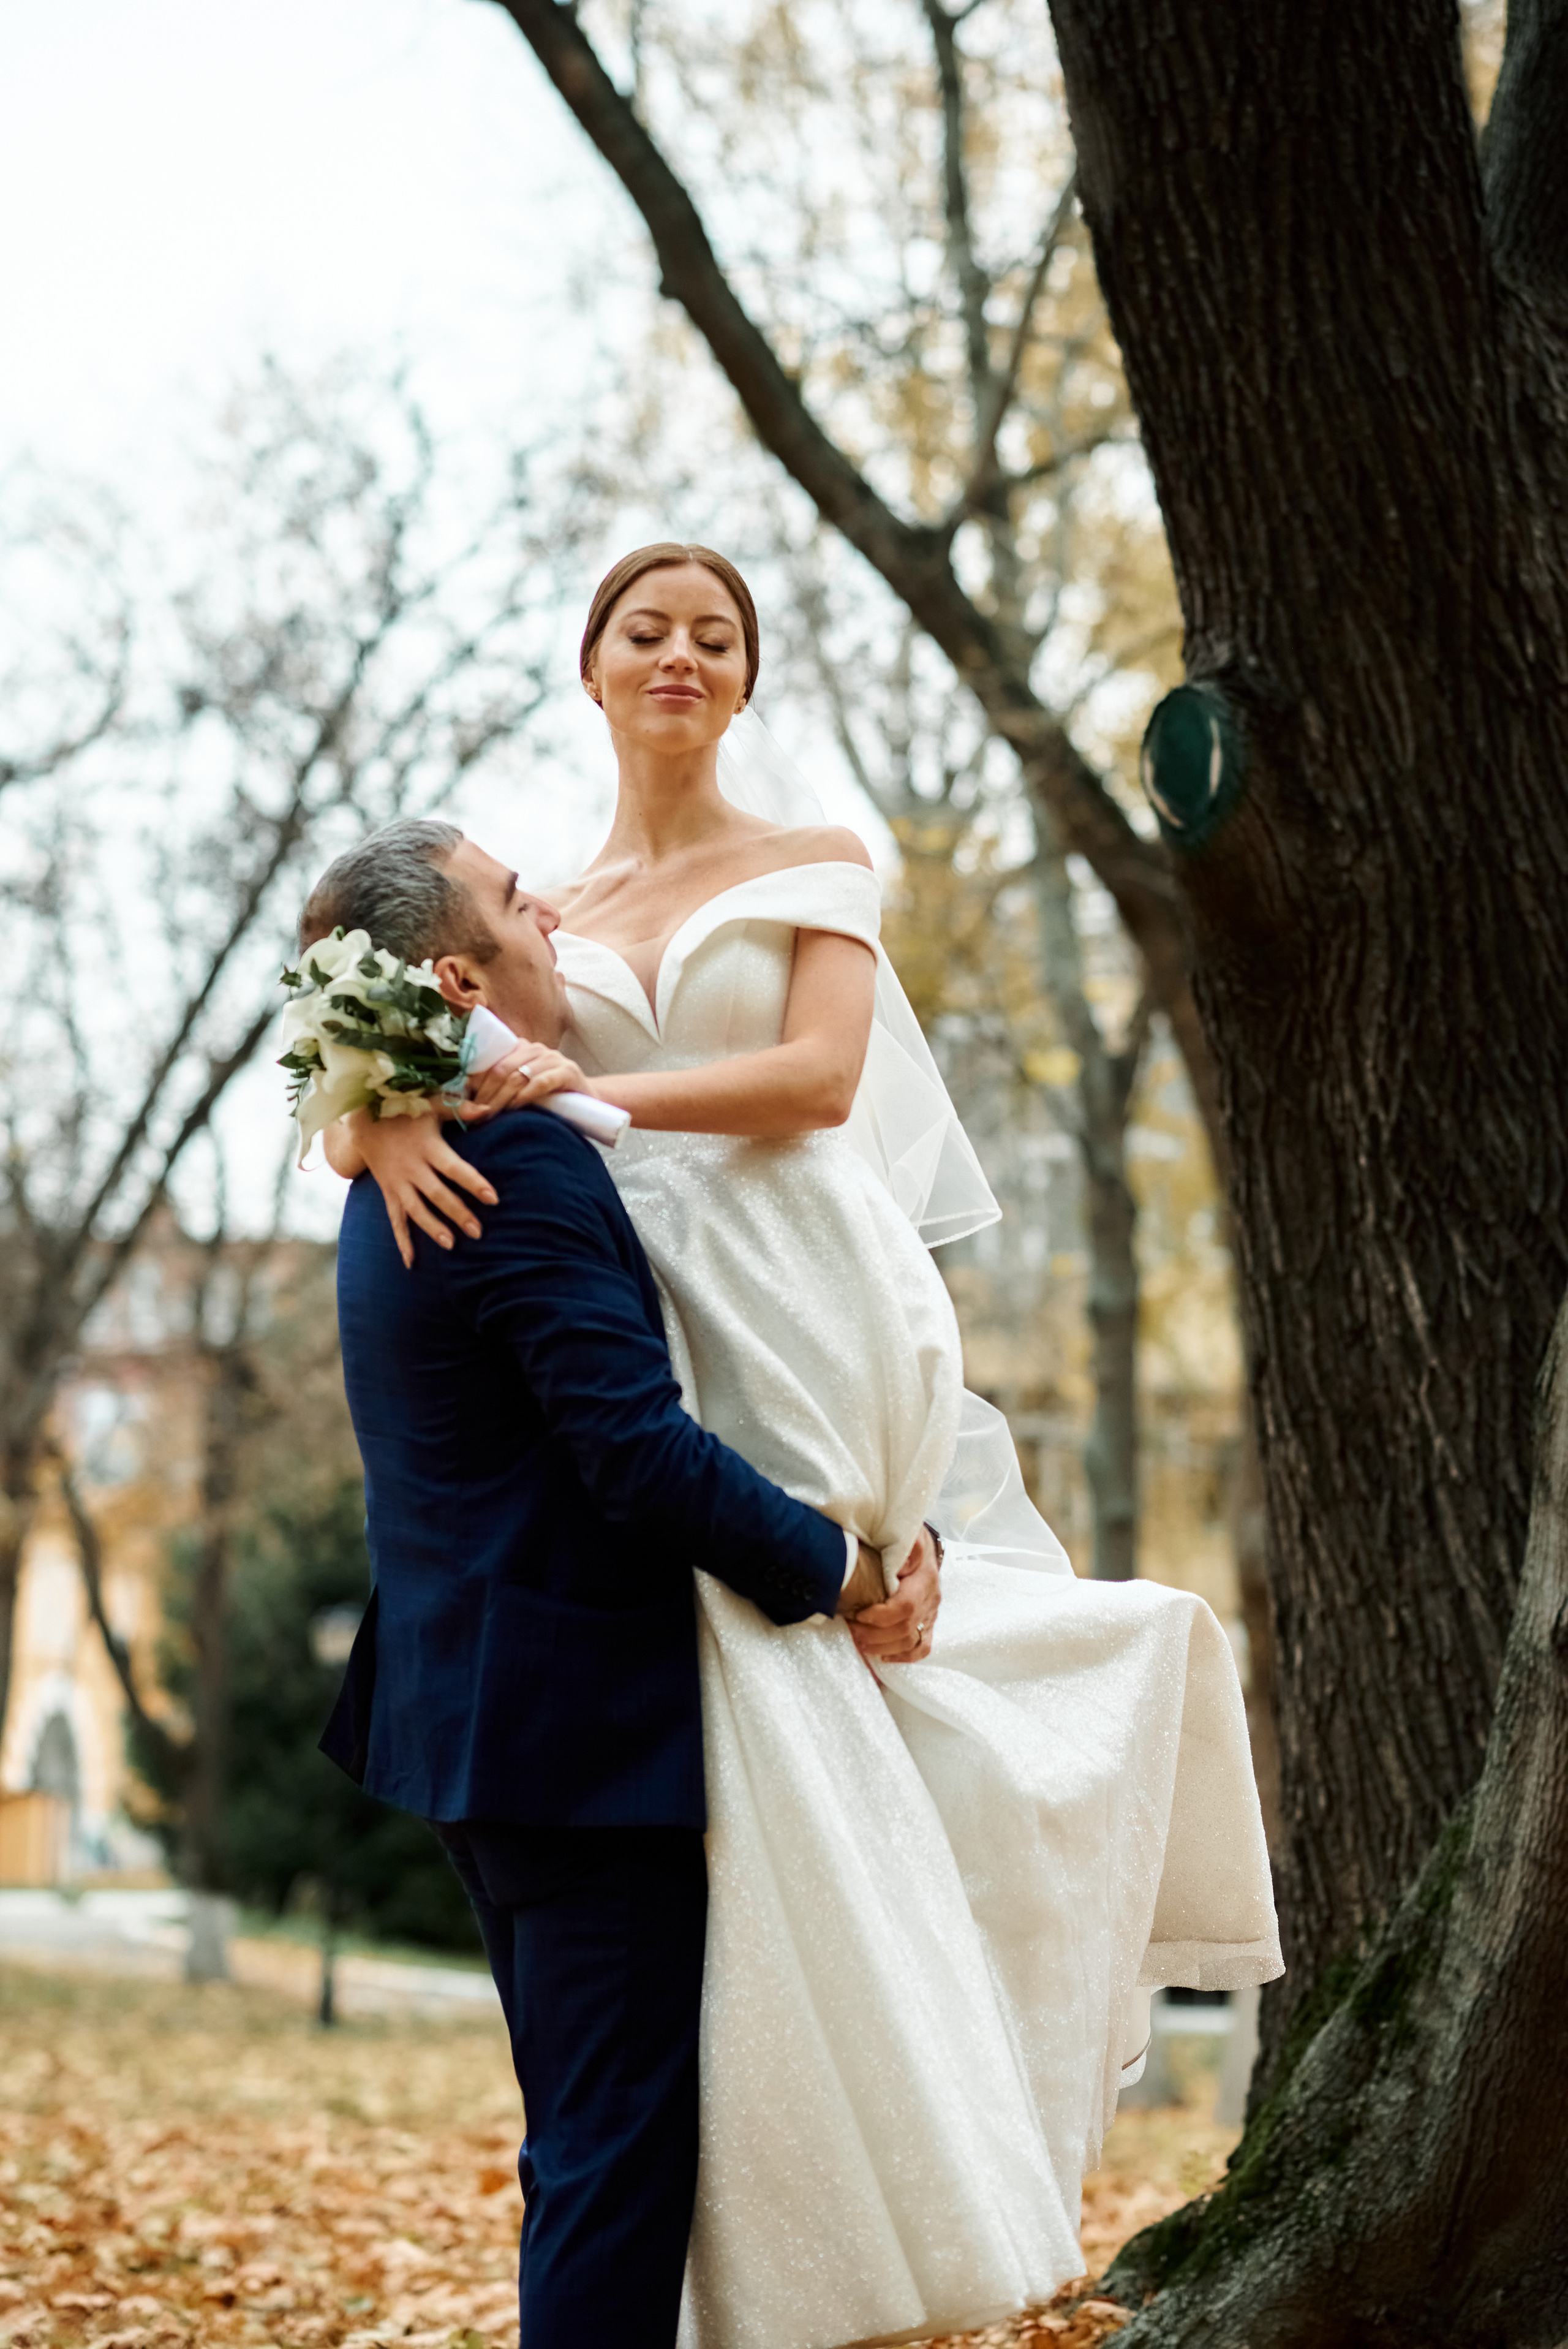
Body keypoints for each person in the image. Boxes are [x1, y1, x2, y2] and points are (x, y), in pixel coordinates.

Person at [335, 545, 1283, 2349]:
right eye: (644, 628)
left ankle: (942, 2100)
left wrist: (588, 1094)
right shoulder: (529, 933)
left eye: (716, 633)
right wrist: (369, 1124)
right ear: (589, 665)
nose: (679, 654)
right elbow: (391, 1014)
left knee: (916, 1710)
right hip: (638, 1365)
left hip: (770, 1309)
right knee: (638, 2081)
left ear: (748, 676)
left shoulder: (806, 865)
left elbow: (822, 1083)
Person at [307, 818, 935, 2349]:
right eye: (511, 899)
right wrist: (844, 1569)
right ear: (458, 980)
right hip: (574, 1739)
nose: (547, 910)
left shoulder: (403, 1146)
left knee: (583, 2146)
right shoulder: (513, 1157)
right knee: (611, 2166)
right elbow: (637, 1455)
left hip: (481, 1719)